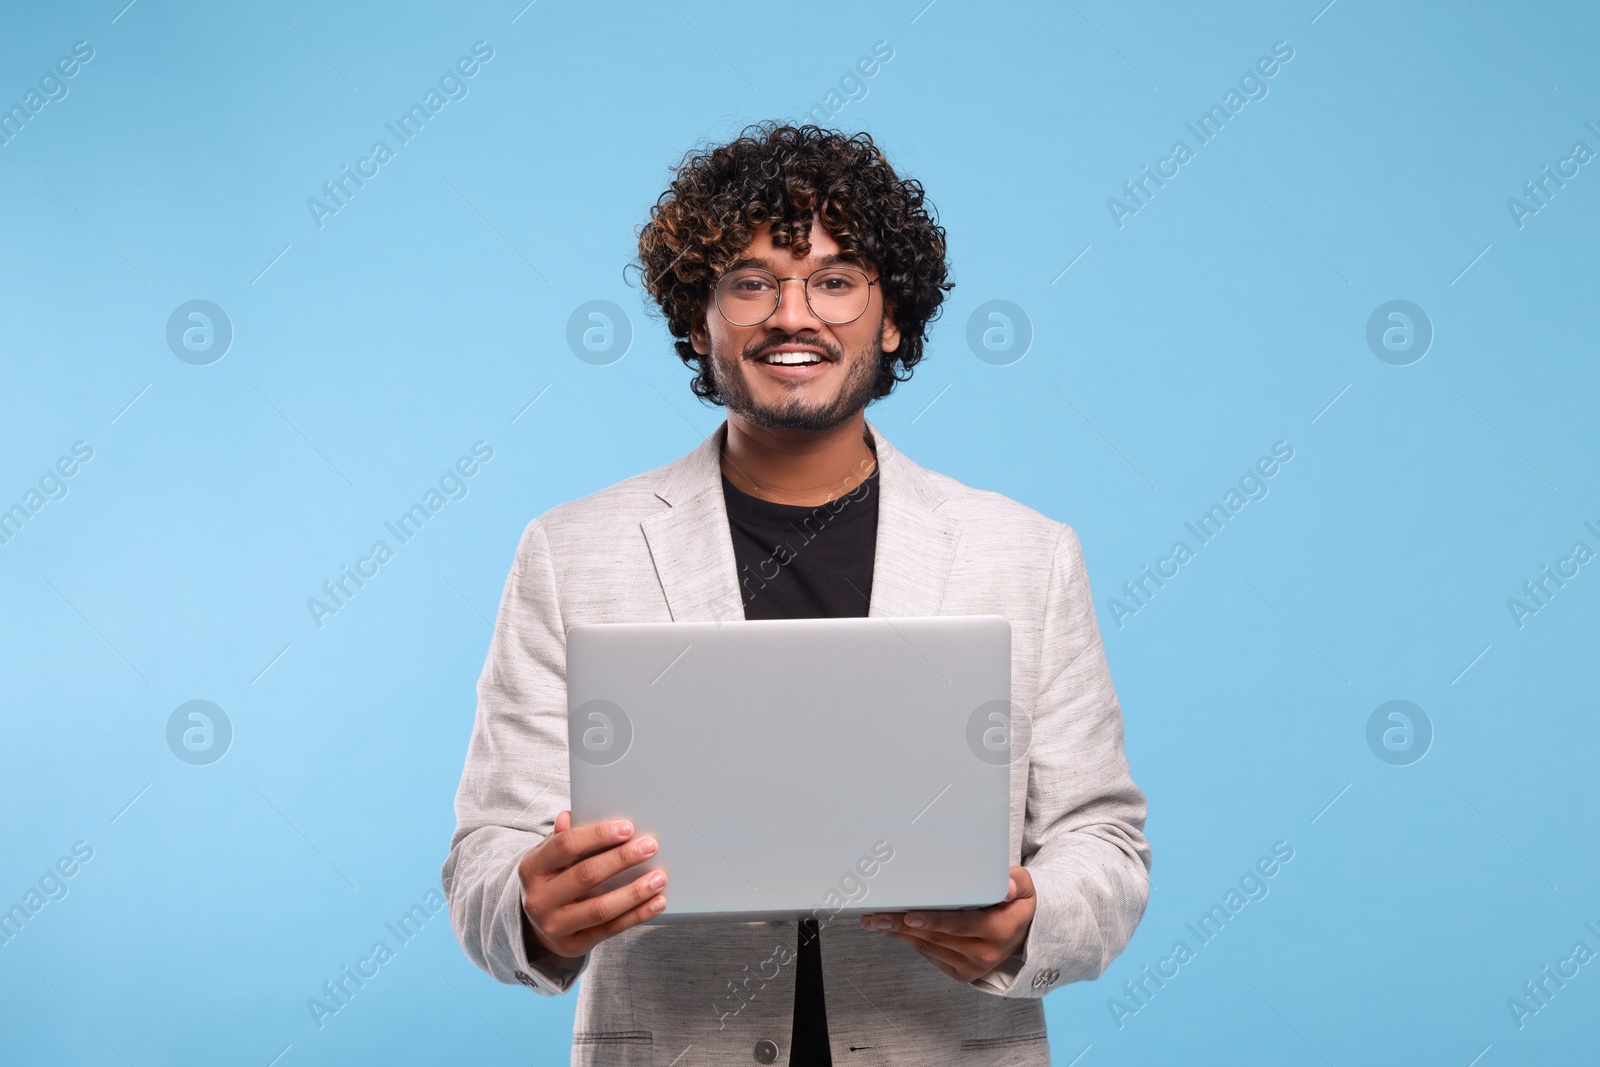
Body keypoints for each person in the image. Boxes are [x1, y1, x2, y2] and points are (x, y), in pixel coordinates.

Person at [442, 122, 1151, 1066]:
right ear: (700, 321)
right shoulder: (573, 551)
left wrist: (1033, 922)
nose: (792, 314)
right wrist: (531, 910)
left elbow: (1101, 840)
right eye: (750, 282)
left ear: (890, 317)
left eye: (834, 279)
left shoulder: (1027, 553)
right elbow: (487, 853)